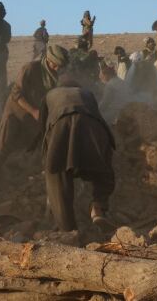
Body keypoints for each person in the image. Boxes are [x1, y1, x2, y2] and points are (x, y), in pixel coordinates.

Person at [40, 85, 115, 231]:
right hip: (92, 125)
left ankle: (67, 228)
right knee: (102, 167)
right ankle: (98, 208)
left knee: (56, 175)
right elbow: (97, 113)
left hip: (61, 126)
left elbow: (44, 129)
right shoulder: (87, 92)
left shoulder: (49, 95)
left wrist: (47, 162)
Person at [0, 45, 69, 156]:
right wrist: (33, 111)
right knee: (6, 142)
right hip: (17, 108)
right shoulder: (30, 68)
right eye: (55, 65)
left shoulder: (56, 75)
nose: (57, 69)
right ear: (48, 59)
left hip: (35, 111)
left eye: (60, 66)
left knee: (30, 143)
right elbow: (16, 93)